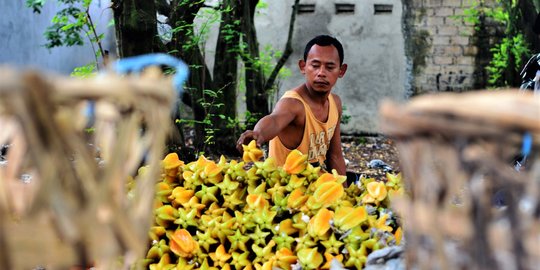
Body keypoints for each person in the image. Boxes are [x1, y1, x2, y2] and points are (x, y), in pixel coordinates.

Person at [236, 35, 348, 176]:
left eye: (330, 67)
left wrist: (344, 192)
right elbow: (275, 120)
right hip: (284, 191)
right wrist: (258, 134)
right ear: (303, 67)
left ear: (341, 71)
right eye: (315, 65)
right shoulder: (293, 103)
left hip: (318, 188)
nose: (321, 73)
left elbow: (335, 155)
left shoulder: (335, 103)